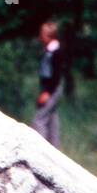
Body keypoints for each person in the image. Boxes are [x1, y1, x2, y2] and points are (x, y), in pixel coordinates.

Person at [32, 21, 67, 149]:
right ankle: (55, 148)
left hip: (52, 89)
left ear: (50, 35)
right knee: (52, 119)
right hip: (49, 87)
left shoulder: (55, 52)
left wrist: (47, 92)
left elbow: (56, 75)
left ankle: (40, 149)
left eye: (42, 33)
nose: (40, 36)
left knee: (39, 120)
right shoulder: (49, 51)